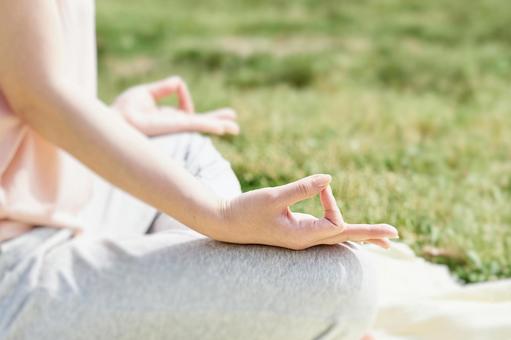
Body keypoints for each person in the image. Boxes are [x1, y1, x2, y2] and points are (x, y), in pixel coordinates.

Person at [0, 0, 398, 339]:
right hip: (13, 276)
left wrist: (110, 122)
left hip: (51, 216)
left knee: (186, 154)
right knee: (347, 280)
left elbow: (25, 80)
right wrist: (219, 217)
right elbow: (39, 95)